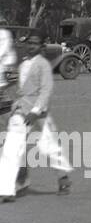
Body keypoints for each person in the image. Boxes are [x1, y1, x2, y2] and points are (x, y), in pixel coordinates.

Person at [0, 34, 72, 201]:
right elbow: (19, 87)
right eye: (29, 43)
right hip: (21, 111)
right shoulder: (23, 64)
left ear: (41, 47)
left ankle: (63, 179)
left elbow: (45, 90)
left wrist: (35, 111)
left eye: (35, 44)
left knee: (49, 146)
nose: (31, 46)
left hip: (38, 113)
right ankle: (10, 188)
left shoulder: (43, 65)